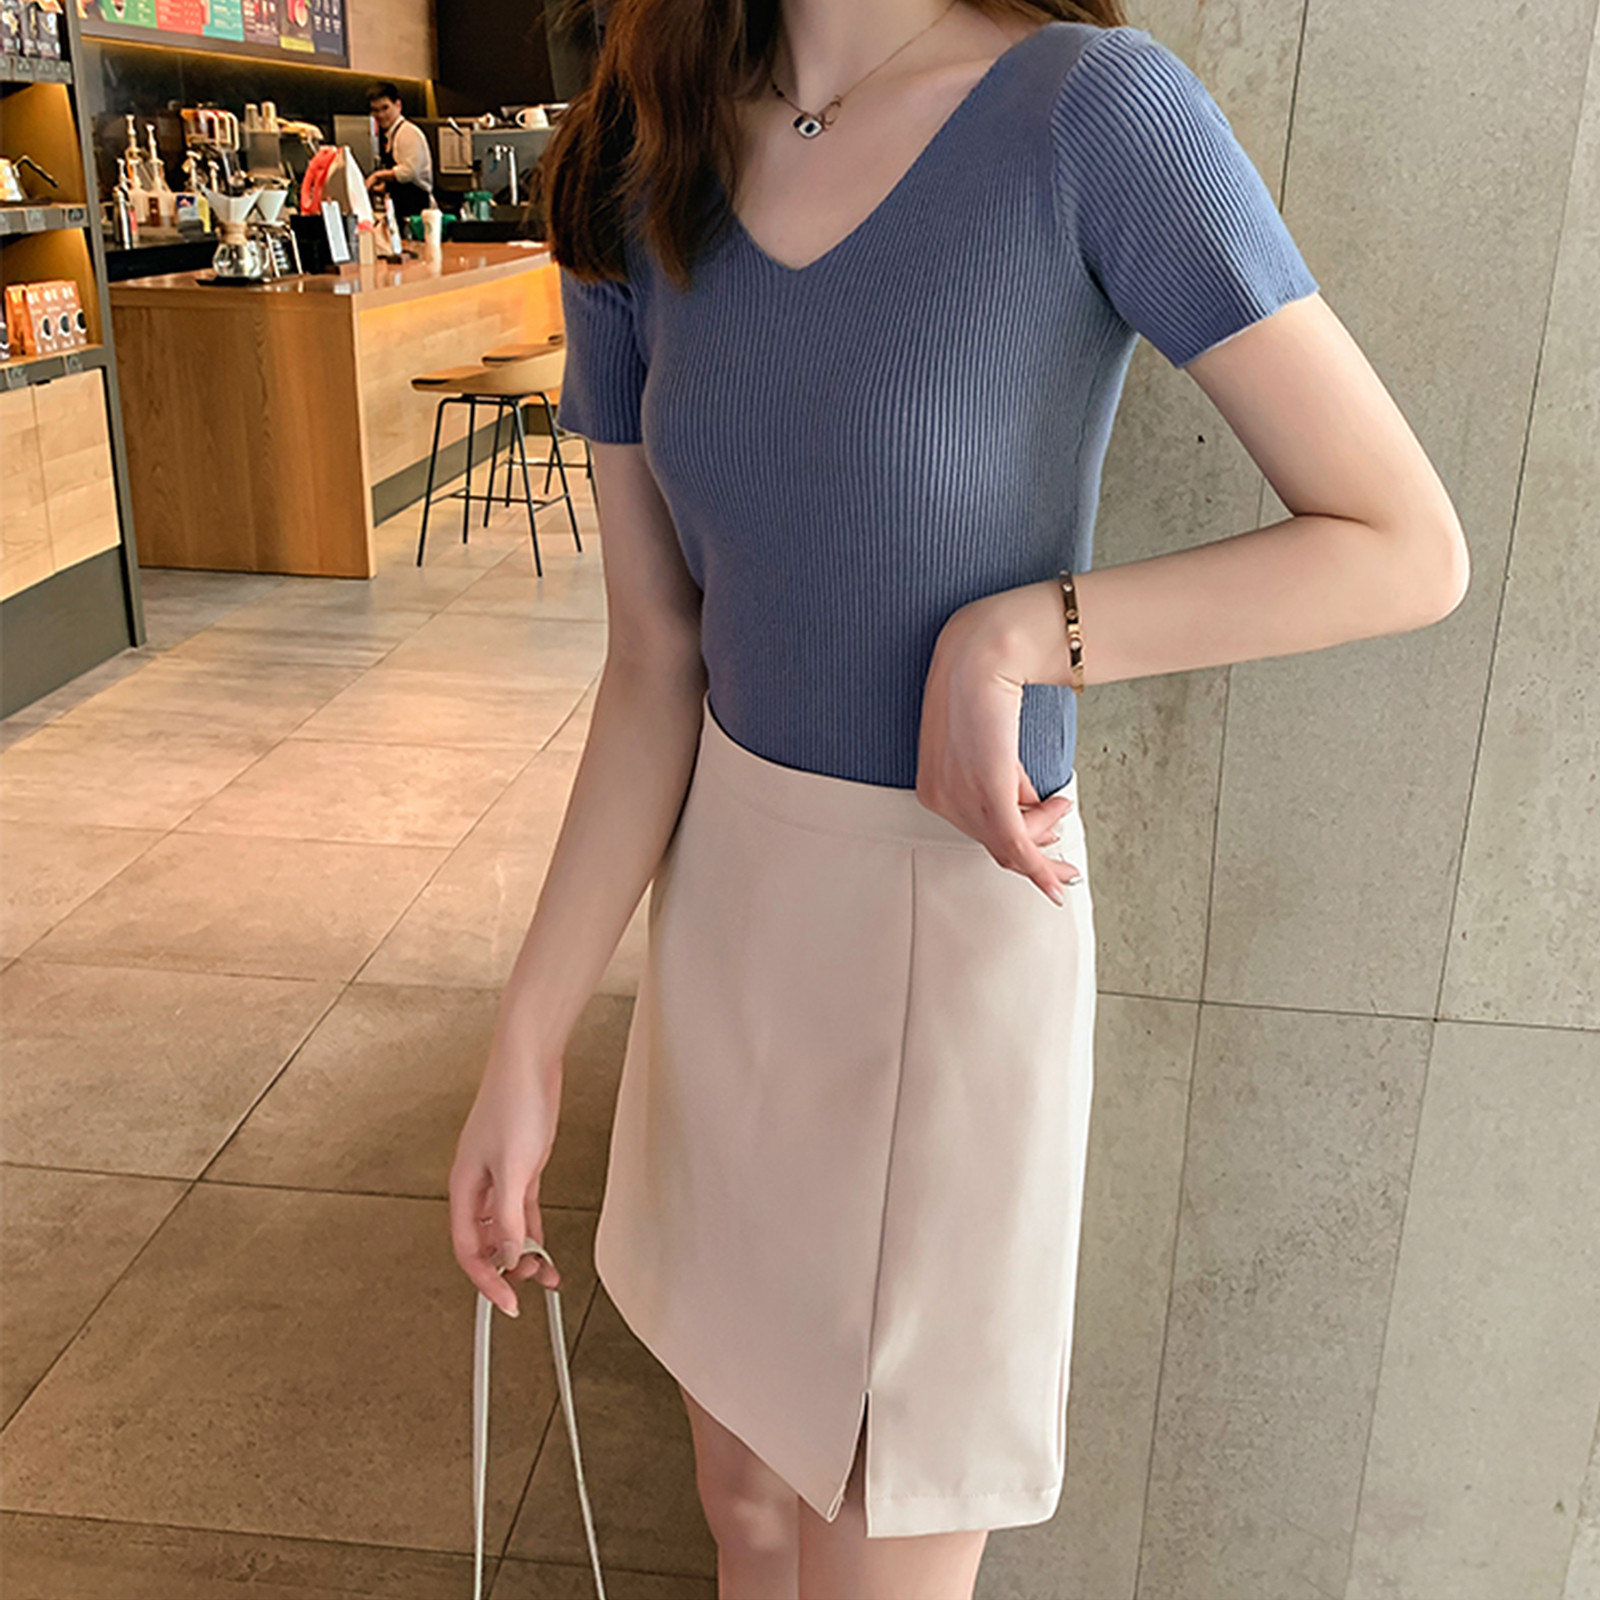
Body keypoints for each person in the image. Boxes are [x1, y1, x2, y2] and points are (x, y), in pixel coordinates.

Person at [449, 1, 1470, 1595]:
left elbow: (1403, 543)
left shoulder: (1089, 117)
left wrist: (1025, 636)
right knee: (744, 1502)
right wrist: (529, 1038)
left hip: (951, 924)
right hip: (729, 924)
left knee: (884, 1526)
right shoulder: (639, 154)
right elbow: (655, 653)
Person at [364, 80, 433, 221]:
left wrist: (377, 176)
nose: (380, 115)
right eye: (375, 110)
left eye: (385, 108)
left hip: (416, 212)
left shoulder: (408, 132)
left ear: (398, 105)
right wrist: (382, 189)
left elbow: (408, 172)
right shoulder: (392, 135)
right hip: (403, 209)